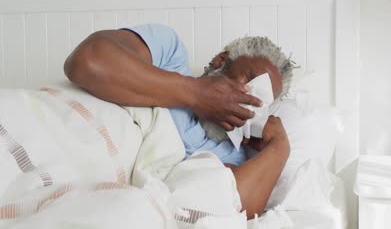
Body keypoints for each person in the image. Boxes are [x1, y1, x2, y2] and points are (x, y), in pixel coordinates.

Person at [64, 24, 294, 219]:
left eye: (261, 100)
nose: (250, 99)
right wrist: (196, 94)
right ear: (219, 61)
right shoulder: (169, 54)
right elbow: (87, 61)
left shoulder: (230, 155)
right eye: (250, 81)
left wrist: (280, 149)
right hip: (70, 136)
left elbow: (229, 210)